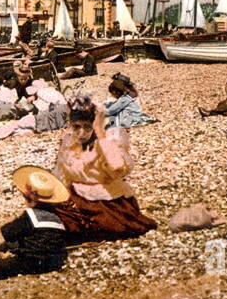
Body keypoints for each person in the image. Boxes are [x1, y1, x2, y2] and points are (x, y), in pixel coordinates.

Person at [50, 94, 158, 239]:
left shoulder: (106, 143)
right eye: (76, 127)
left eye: (87, 127)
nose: (81, 133)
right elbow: (61, 172)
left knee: (84, 228)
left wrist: (100, 134)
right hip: (77, 196)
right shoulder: (69, 142)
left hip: (106, 203)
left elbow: (118, 168)